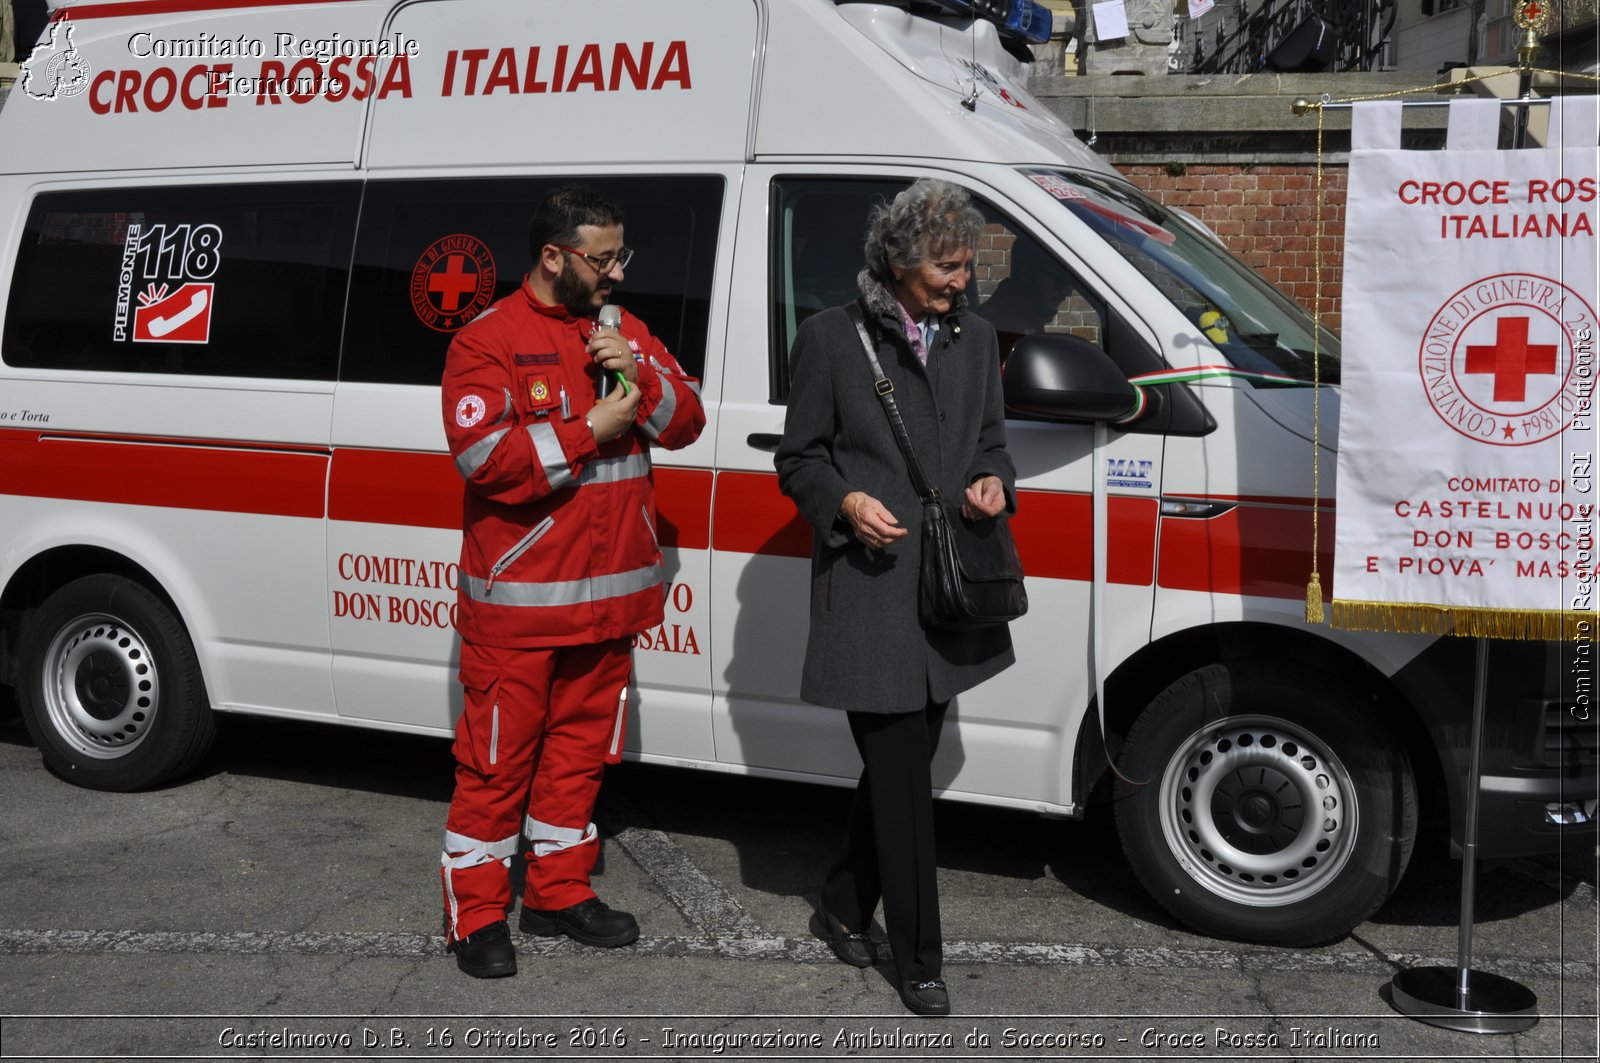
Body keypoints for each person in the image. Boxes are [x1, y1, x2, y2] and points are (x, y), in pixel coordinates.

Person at [437, 185, 706, 978]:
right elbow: (487, 460)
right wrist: (591, 428)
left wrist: (642, 381)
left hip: (608, 610)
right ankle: (478, 913)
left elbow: (687, 421)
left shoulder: (622, 331)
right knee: (495, 770)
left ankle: (558, 890)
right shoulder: (486, 341)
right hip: (521, 615)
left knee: (578, 763)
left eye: (622, 255)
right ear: (553, 256)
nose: (617, 271)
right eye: (603, 257)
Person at [775, 179, 1018, 1017]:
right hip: (872, 595)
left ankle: (844, 903)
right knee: (906, 787)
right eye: (948, 265)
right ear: (898, 262)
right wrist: (843, 503)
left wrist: (993, 479)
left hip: (949, 594)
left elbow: (992, 440)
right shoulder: (830, 340)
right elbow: (798, 459)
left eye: (965, 265)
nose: (962, 279)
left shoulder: (977, 338)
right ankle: (920, 960)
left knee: (896, 775)